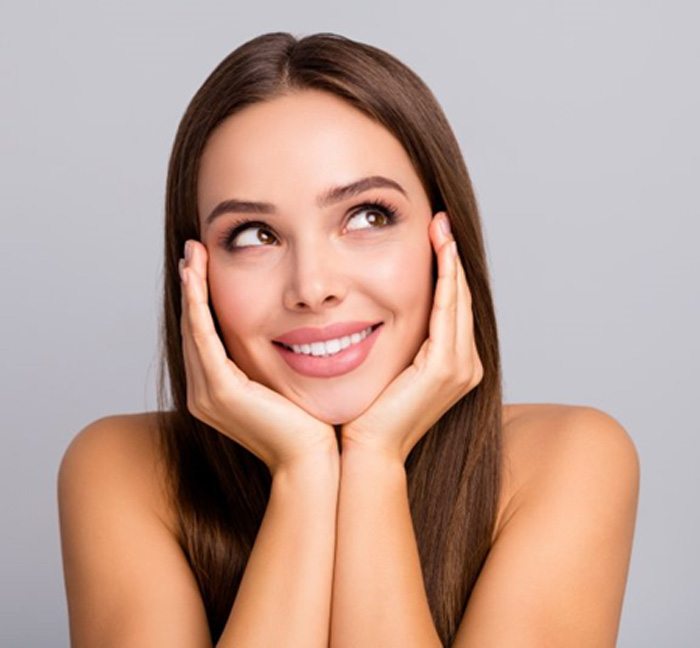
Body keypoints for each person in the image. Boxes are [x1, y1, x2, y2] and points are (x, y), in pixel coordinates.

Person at [57, 31, 640, 647]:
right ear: (194, 273)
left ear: (445, 243)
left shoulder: (569, 458)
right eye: (254, 234)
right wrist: (303, 473)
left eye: (367, 216)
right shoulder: (120, 468)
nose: (312, 286)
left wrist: (373, 460)